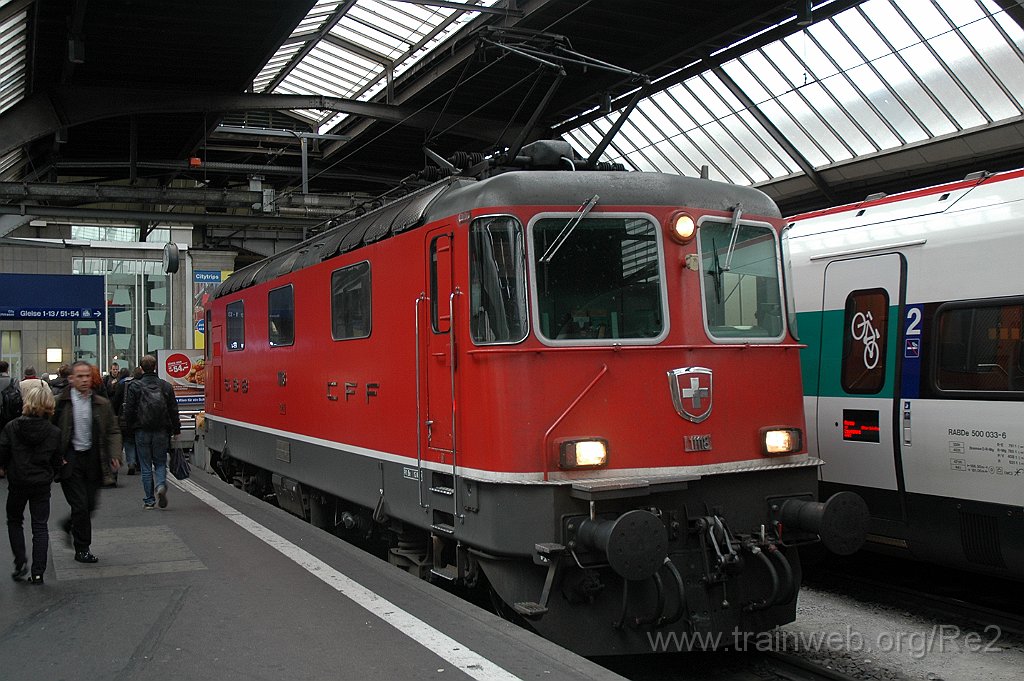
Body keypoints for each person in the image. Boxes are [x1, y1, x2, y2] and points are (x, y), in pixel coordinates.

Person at [53, 361, 122, 563]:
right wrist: (57, 457)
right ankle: (82, 548)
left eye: (87, 376)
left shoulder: (102, 404)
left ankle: (69, 525)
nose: (84, 380)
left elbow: (113, 430)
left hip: (93, 460)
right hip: (70, 460)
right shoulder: (60, 403)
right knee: (80, 506)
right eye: (80, 376)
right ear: (71, 379)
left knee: (90, 505)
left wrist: (115, 454)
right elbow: (51, 432)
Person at [0, 383, 62, 584]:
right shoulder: (53, 432)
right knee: (40, 526)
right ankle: (38, 572)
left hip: (17, 481)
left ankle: (20, 562)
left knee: (15, 520)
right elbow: (56, 460)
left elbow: (3, 453)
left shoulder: (12, 427)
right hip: (41, 483)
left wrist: (6, 467)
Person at [123, 355, 179, 510]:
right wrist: (177, 429)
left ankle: (149, 500)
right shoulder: (166, 386)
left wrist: (129, 428)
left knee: (146, 466)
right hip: (161, 430)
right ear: (155, 367)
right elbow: (173, 410)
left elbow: (129, 410)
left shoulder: (134, 386)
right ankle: (161, 485)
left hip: (141, 430)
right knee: (160, 463)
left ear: (141, 368)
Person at [112, 368, 139, 475]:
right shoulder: (137, 385)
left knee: (119, 441)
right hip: (133, 417)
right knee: (130, 441)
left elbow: (116, 401)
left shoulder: (121, 385)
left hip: (121, 417)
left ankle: (116, 462)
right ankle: (132, 462)